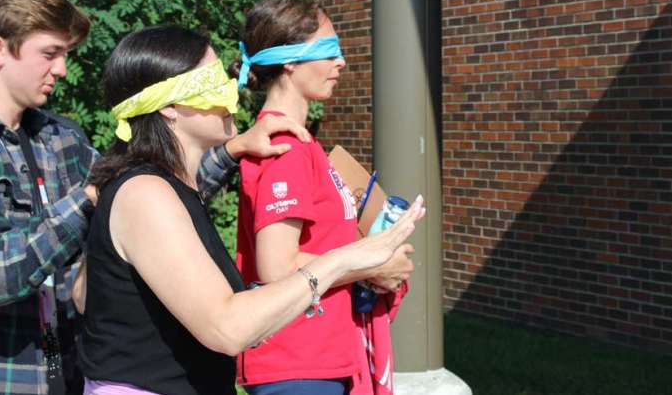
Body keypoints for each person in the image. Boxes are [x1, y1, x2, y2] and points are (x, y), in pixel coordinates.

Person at [0, 0, 310, 395]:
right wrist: (88, 198)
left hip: (69, 372)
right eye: (49, 53)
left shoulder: (61, 137)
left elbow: (148, 201)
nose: (62, 69)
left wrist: (231, 151)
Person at [75, 25, 425, 395]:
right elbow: (227, 327)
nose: (232, 93)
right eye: (212, 84)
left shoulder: (164, 189)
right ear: (169, 108)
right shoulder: (145, 193)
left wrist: (233, 149)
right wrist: (347, 260)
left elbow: (85, 294)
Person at [229, 0, 416, 395]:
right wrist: (373, 266)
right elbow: (277, 266)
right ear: (291, 61)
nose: (341, 62)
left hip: (315, 357)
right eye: (330, 49)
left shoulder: (300, 143)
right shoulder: (285, 147)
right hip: (297, 364)